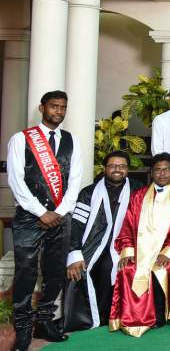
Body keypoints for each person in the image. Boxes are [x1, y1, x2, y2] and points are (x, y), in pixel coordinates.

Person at [7, 90, 82, 347]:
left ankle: (45, 321)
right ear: (42, 108)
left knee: (55, 271)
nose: (58, 111)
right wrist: (41, 212)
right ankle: (23, 328)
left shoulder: (72, 141)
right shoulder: (21, 139)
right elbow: (16, 181)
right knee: (25, 272)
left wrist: (59, 213)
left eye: (63, 107)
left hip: (60, 217)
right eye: (53, 106)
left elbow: (75, 181)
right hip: (29, 217)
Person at [108, 153, 170, 337]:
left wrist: (169, 251)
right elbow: (128, 225)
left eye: (166, 170)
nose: (162, 174)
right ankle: (142, 316)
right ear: (151, 173)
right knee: (129, 268)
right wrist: (128, 251)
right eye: (158, 170)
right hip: (143, 248)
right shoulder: (139, 196)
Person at [63, 151, 142, 333]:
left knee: (109, 267)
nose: (117, 170)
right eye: (112, 166)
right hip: (93, 243)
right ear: (105, 168)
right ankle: (85, 319)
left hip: (126, 244)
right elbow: (77, 225)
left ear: (127, 169)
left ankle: (107, 317)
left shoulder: (138, 190)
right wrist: (75, 253)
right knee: (78, 270)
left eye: (122, 166)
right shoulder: (89, 192)